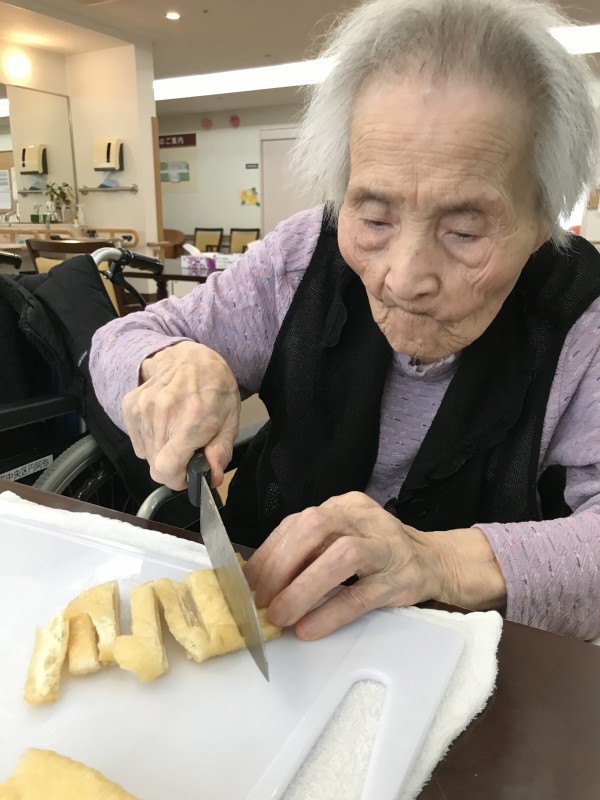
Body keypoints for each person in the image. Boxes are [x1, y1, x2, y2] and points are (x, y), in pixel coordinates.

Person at [90, 0, 600, 643]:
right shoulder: (303, 256)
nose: (404, 277)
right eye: (376, 219)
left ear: (543, 223)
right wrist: (168, 365)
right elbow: (117, 340)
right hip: (271, 616)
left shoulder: (582, 318)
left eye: (466, 231)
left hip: (468, 655)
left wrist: (440, 561)